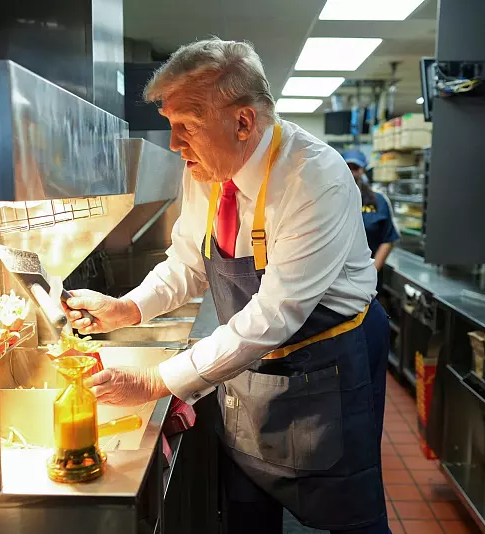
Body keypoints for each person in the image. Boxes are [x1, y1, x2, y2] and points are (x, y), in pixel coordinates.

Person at [65, 38, 392, 534]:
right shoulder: (208, 170)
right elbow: (187, 261)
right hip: (248, 362)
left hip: (327, 361)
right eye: (171, 125)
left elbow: (277, 313)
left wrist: (156, 381)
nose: (174, 144)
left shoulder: (313, 176)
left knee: (347, 515)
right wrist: (127, 308)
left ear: (242, 122)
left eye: (187, 126)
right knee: (247, 508)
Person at [342, 149, 399, 275]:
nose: (351, 172)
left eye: (355, 167)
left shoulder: (379, 200)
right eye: (347, 167)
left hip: (368, 275)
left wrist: (371, 274)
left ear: (362, 170)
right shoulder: (331, 199)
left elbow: (388, 239)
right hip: (336, 277)